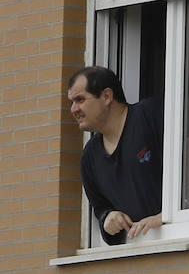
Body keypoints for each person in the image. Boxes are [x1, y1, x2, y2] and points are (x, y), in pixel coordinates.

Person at [67, 65, 163, 245]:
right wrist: (109, 218)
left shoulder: (150, 115)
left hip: (175, 239)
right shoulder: (90, 156)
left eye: (80, 99)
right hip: (135, 256)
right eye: (71, 102)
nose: (73, 109)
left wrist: (169, 215)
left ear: (107, 96)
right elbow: (100, 208)